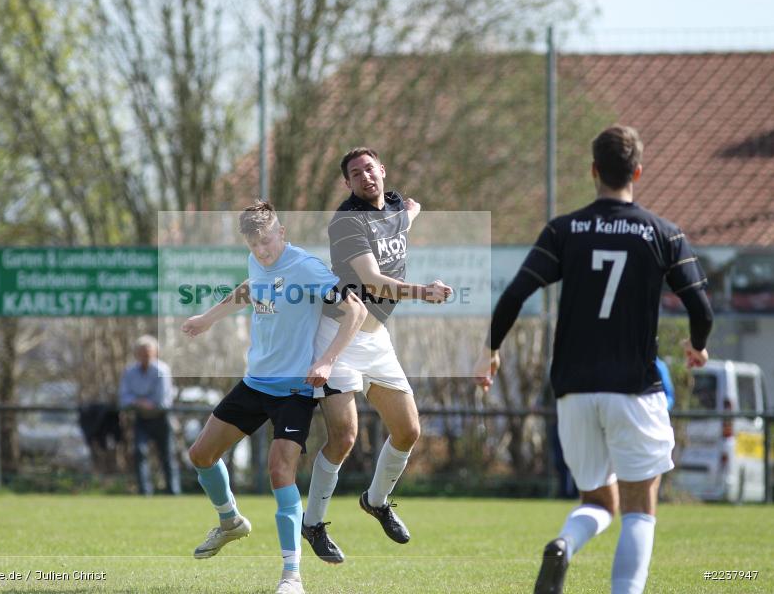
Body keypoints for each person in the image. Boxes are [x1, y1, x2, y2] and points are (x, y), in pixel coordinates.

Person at [474, 125, 713, 594]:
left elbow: (515, 295)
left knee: (598, 501)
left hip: (574, 390)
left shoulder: (564, 229)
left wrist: (492, 350)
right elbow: (701, 309)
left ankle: (565, 542)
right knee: (640, 507)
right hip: (634, 388)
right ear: (638, 172)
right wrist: (697, 345)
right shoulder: (663, 233)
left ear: (593, 171)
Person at [182, 201, 366, 594]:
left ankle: (291, 577)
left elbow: (356, 310)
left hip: (295, 390)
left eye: (267, 242)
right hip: (255, 383)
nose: (262, 251)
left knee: (279, 471)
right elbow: (248, 291)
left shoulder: (306, 267)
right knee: (200, 455)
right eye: (254, 246)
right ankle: (230, 521)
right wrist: (206, 319)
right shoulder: (256, 263)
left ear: (281, 232)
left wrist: (328, 361)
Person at [301, 147, 453, 564]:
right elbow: (372, 280)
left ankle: (376, 500)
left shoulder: (396, 204)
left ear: (383, 171)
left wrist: (412, 214)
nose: (365, 177)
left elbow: (399, 217)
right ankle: (312, 523)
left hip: (378, 339)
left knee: (408, 431)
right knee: (344, 438)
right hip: (338, 337)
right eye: (356, 173)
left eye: (370, 169)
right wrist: (425, 292)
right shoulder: (346, 221)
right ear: (347, 184)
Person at [119, 335, 181, 495]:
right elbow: (124, 397)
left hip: (162, 418)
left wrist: (140, 401)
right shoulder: (130, 372)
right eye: (142, 352)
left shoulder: (162, 370)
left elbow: (161, 401)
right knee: (140, 452)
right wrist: (140, 403)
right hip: (141, 418)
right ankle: (144, 492)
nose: (145, 356)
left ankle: (173, 492)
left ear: (155, 353)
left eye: (148, 352)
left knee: (167, 456)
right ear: (136, 354)